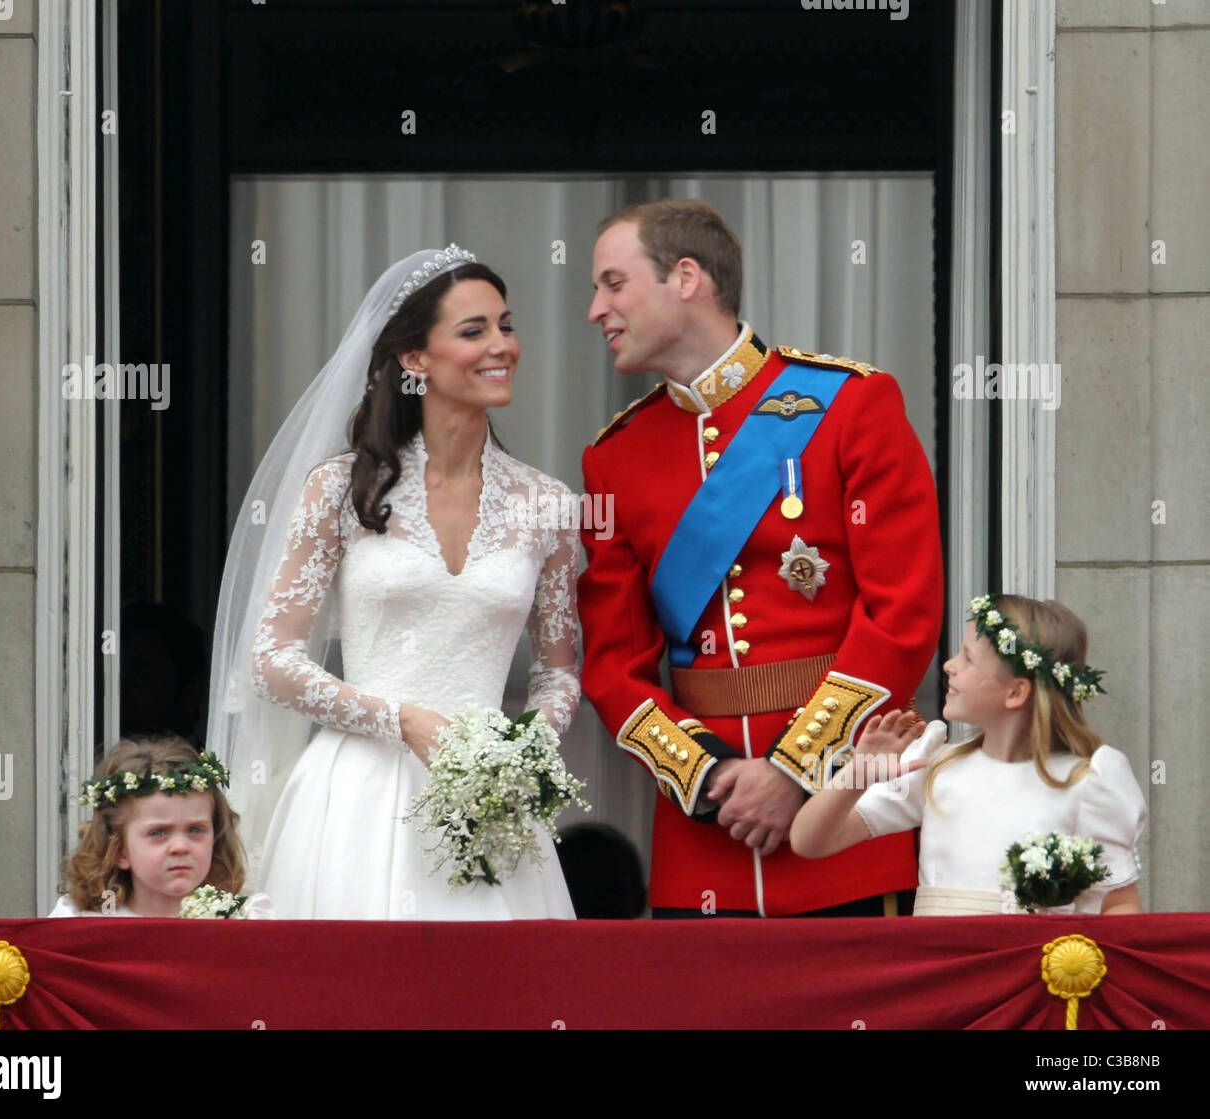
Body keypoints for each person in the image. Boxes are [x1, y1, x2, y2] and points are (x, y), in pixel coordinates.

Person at [578, 200, 943, 917]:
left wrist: (796, 771)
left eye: (614, 283)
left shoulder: (849, 404)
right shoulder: (614, 456)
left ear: (687, 278)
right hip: (705, 833)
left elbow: (902, 615)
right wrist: (710, 777)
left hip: (844, 821)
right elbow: (612, 665)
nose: (597, 308)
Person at [207, 246, 579, 920]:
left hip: (492, 807)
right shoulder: (341, 487)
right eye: (474, 331)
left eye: (506, 325)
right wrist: (400, 720)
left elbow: (560, 674)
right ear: (415, 360)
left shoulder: (547, 504)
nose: (503, 345)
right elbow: (270, 660)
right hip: (355, 796)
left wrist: (521, 749)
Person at [791, 594, 1147, 915]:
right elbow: (809, 841)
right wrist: (858, 775)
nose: (949, 664)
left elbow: (1119, 905)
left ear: (1016, 693)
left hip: (1033, 978)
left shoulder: (1085, 782)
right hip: (940, 973)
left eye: (968, 658)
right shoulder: (934, 765)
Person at [48, 735, 272, 918]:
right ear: (119, 850)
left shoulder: (244, 919)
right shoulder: (81, 922)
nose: (180, 847)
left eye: (195, 830)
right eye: (158, 832)